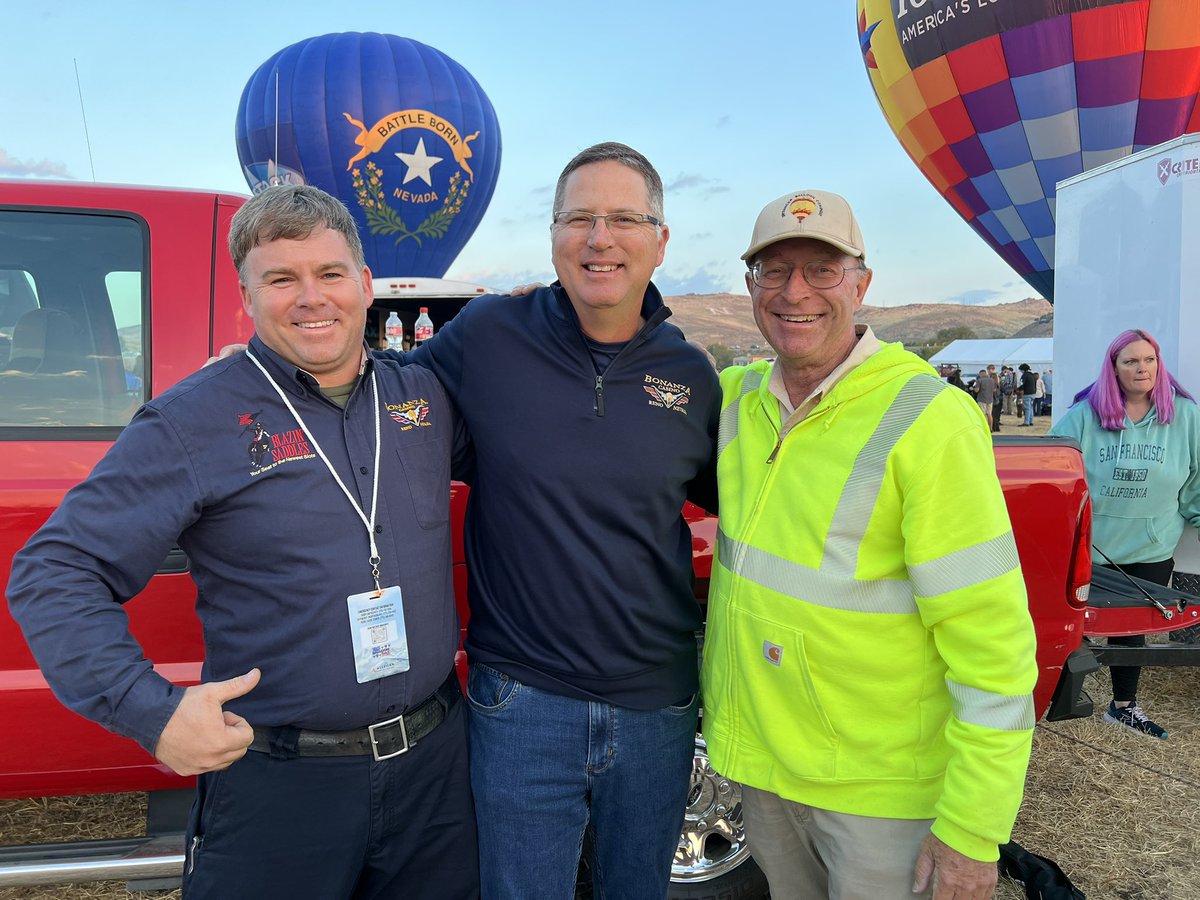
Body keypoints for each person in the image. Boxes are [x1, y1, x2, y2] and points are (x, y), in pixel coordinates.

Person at [6, 185, 478, 899]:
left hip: (435, 776)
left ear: (365, 284)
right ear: (246, 297)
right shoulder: (191, 421)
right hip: (282, 786)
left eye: (329, 274)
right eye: (281, 279)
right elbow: (53, 571)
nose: (311, 298)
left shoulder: (423, 400)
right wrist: (151, 712)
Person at [391, 143, 719, 897]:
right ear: (553, 235)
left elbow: (743, 506)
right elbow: (385, 401)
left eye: (625, 219)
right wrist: (269, 374)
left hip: (658, 708)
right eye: (580, 218)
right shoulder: (485, 337)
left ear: (660, 241)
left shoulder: (691, 375)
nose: (600, 238)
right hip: (523, 704)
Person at [700, 189, 1038, 900]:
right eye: (774, 270)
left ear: (862, 283)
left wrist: (974, 831)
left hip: (879, 797)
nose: (796, 292)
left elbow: (994, 648)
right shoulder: (735, 401)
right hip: (766, 776)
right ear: (750, 286)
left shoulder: (929, 419)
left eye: (822, 270)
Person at [1049, 328, 1200, 739]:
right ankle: (1053, 696)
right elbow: (1053, 465)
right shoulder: (1085, 414)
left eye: (1149, 360)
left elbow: (1196, 479)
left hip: (1152, 545)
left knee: (1132, 629)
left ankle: (1124, 706)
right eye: (1131, 361)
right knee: (1070, 625)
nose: (1142, 368)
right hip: (1092, 548)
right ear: (1113, 368)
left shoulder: (1184, 415)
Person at [987, 363, 1002, 432]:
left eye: (989, 369)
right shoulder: (997, 377)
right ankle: (996, 427)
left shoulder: (993, 377)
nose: (988, 371)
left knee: (992, 413)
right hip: (996, 397)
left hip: (993, 397)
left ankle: (993, 427)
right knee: (995, 413)